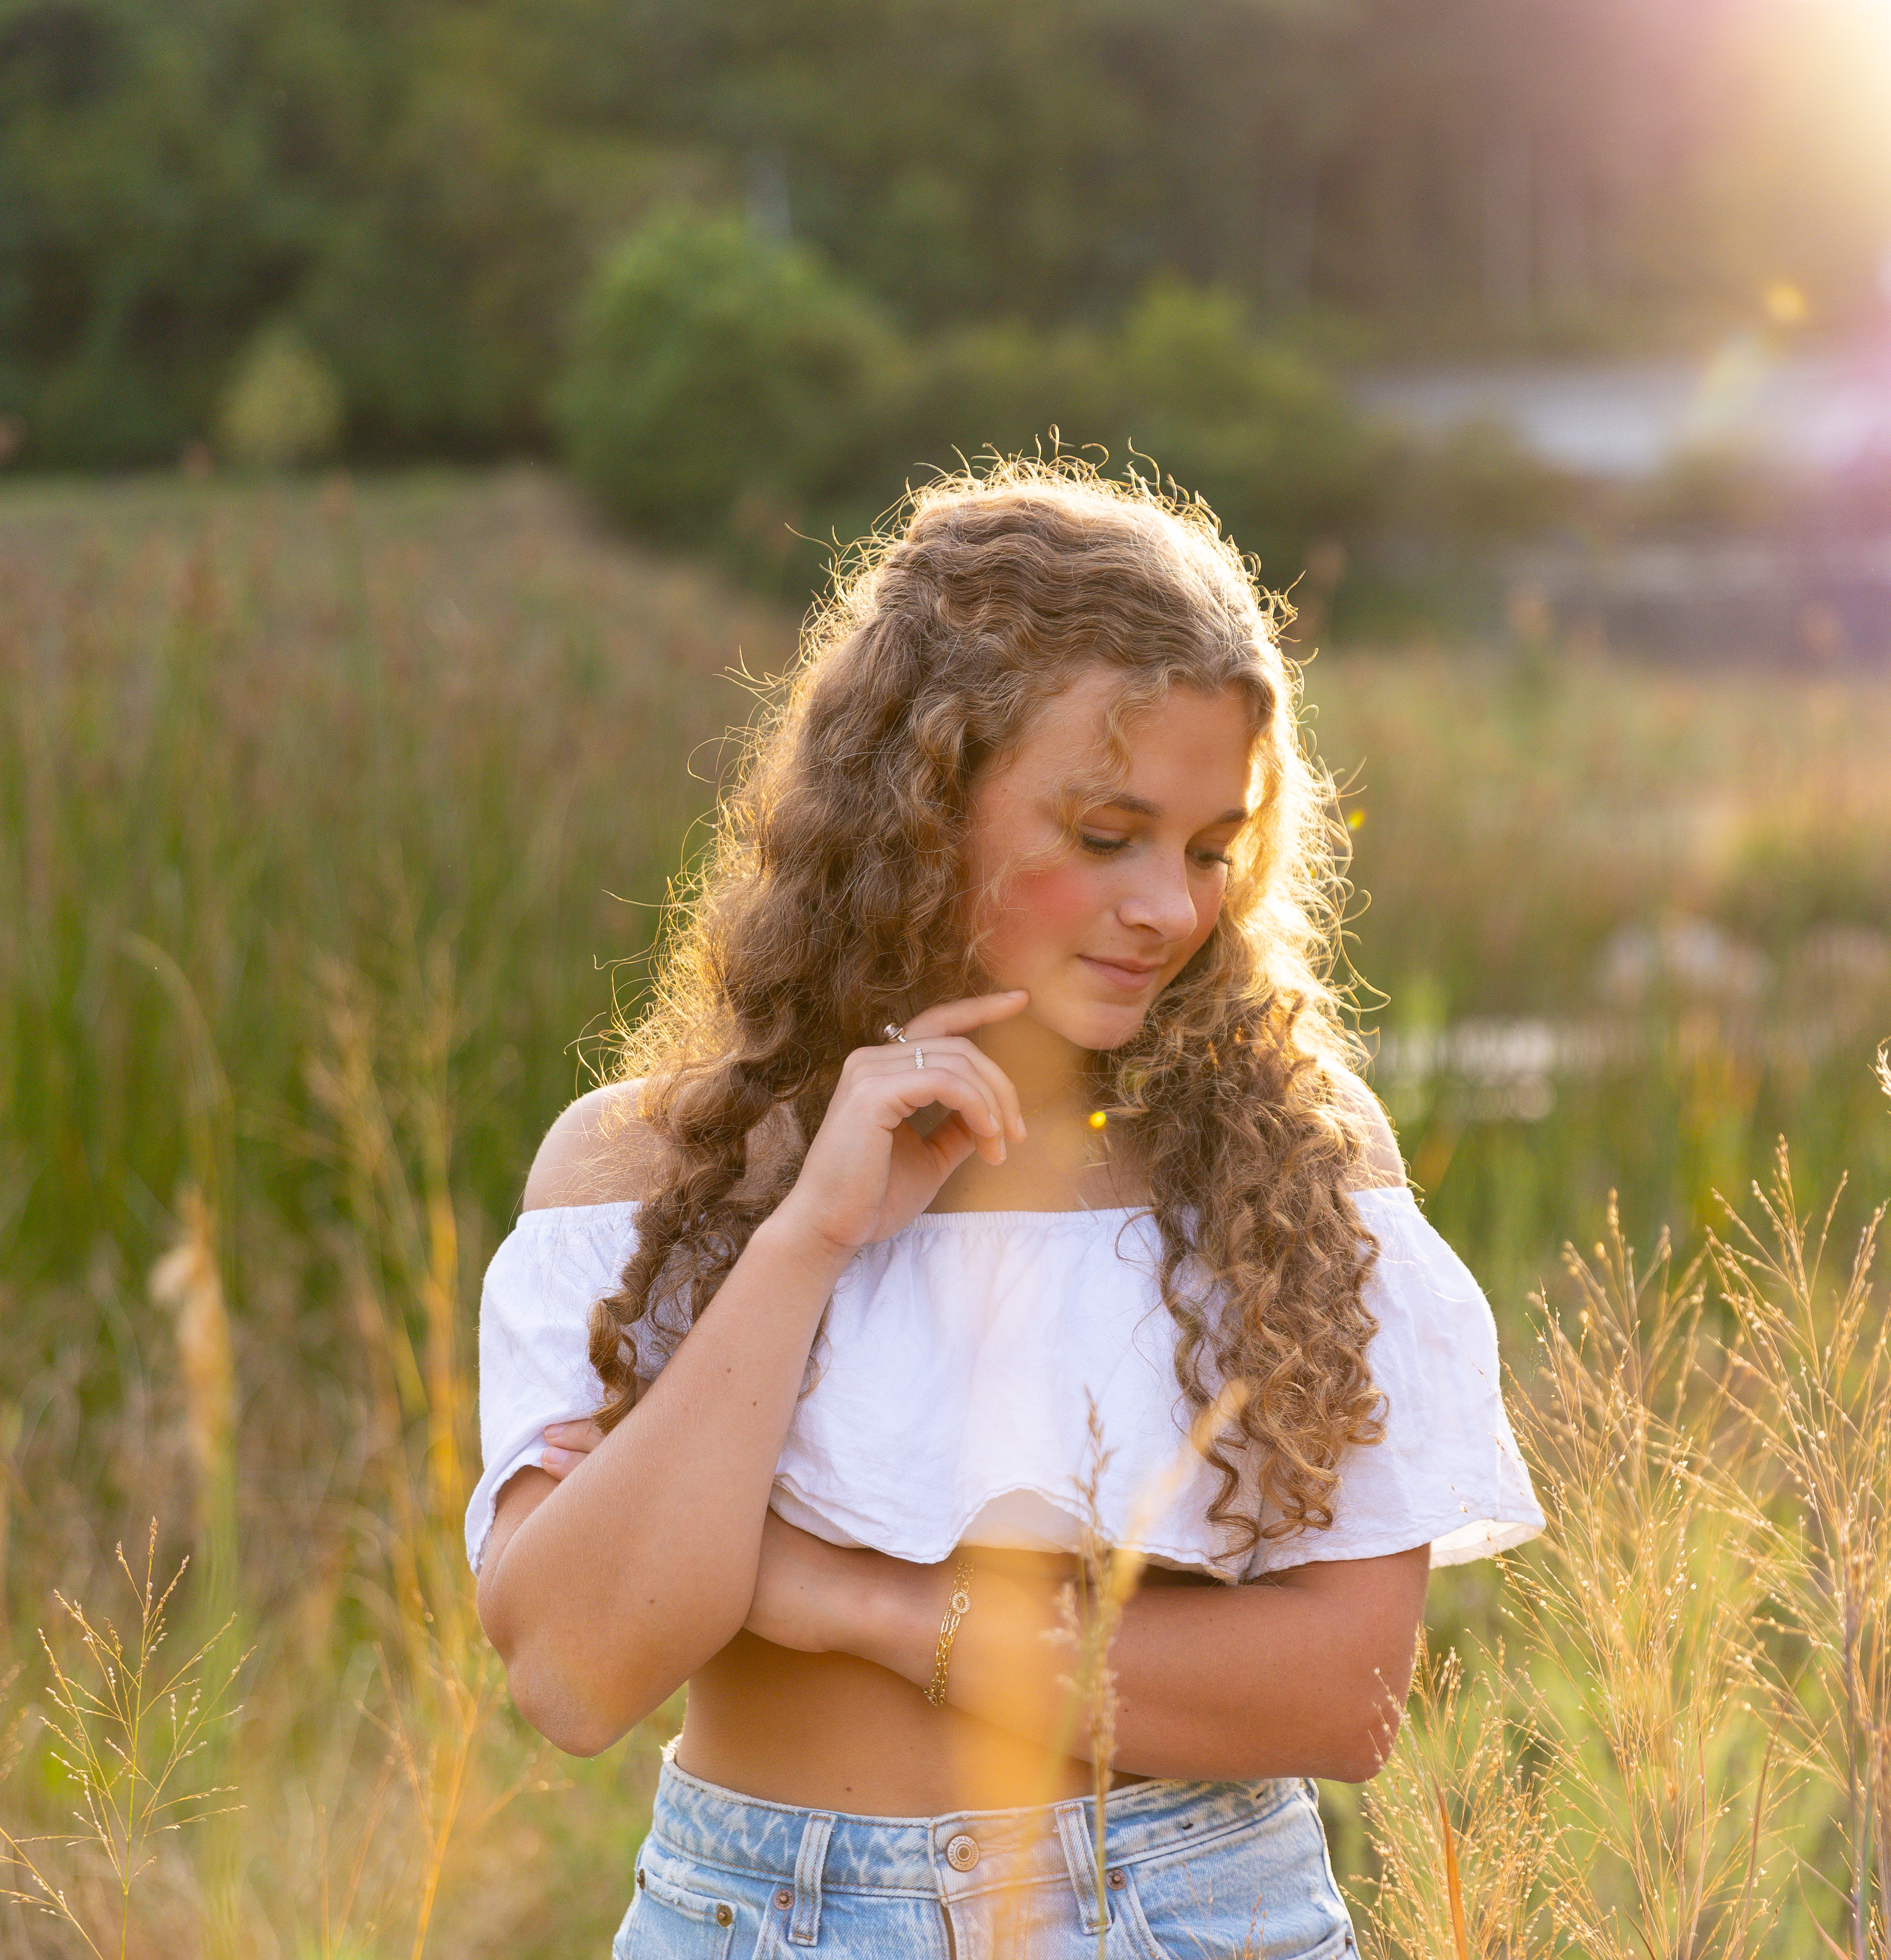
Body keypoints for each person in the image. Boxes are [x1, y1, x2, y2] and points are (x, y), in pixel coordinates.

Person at [468, 461, 1542, 1958]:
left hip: (1189, 1916)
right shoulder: (653, 1174)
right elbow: (577, 1681)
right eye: (1106, 837)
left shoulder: (1286, 1168)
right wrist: (807, 1239)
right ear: (919, 805)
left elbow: (1340, 1701)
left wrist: (854, 1605)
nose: (1169, 908)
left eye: (1210, 848)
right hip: (757, 1919)